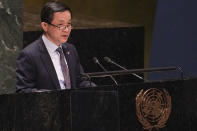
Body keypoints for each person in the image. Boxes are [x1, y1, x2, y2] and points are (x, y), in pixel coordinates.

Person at [16, 1, 95, 93]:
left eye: (68, 25)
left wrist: (97, 89)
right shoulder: (29, 55)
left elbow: (80, 81)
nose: (66, 30)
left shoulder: (71, 50)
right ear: (45, 26)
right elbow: (23, 90)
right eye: (60, 25)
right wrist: (51, 97)